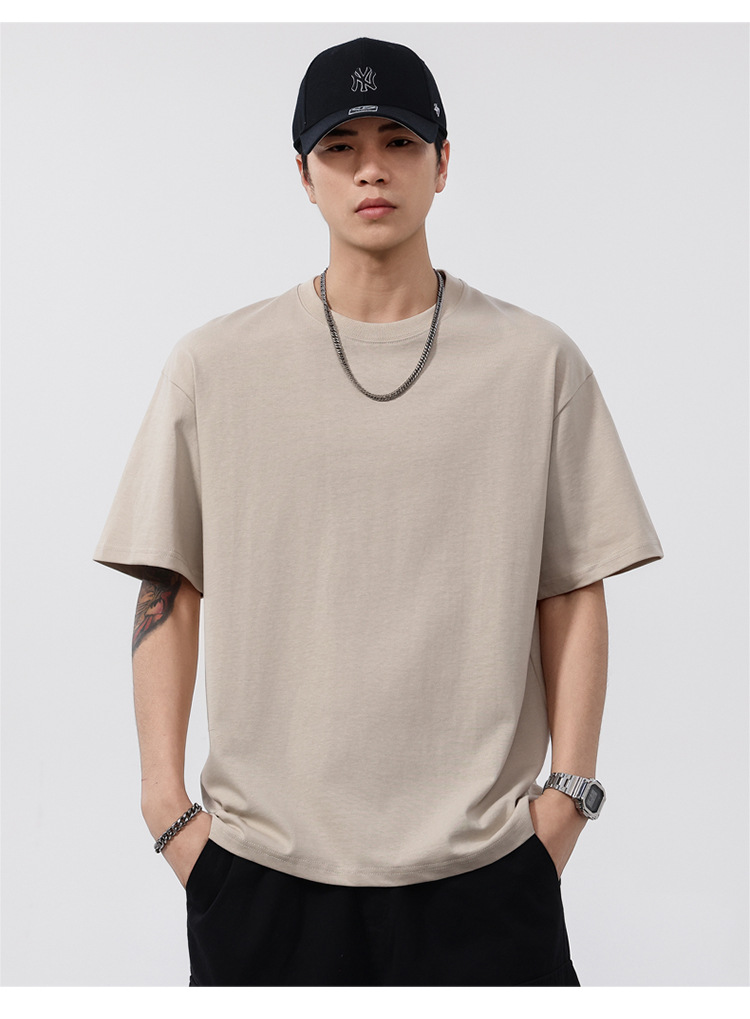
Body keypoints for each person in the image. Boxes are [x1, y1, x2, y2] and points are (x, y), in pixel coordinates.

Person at [93, 36, 664, 987]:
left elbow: (571, 586)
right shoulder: (214, 366)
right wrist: (166, 808)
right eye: (340, 146)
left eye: (399, 141)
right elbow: (169, 582)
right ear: (303, 175)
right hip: (262, 870)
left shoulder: (536, 363)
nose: (370, 169)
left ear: (443, 163)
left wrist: (568, 798)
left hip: (486, 867)